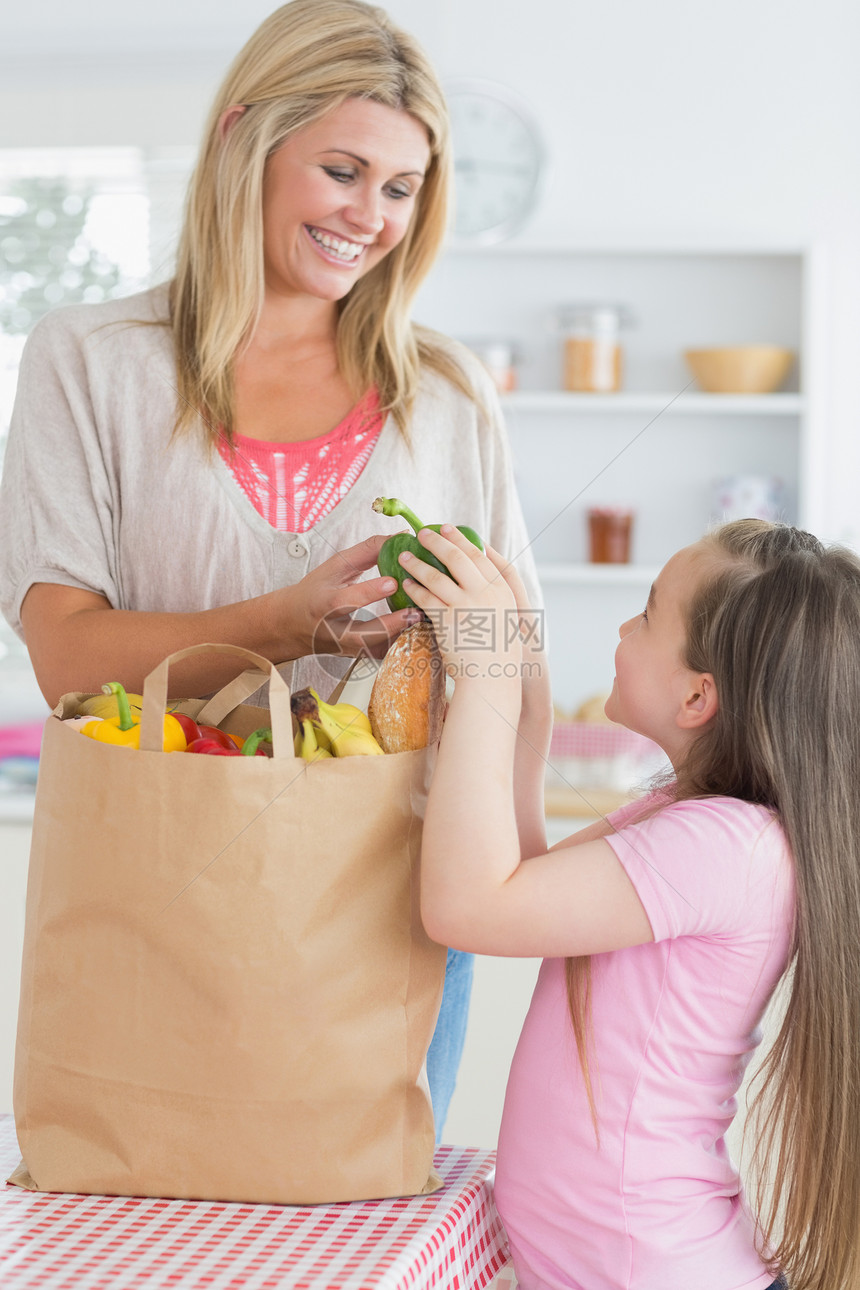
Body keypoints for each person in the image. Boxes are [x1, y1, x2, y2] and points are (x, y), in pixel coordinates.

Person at [0, 0, 540, 1136]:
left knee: (366, 1231)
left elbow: (509, 650)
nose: (370, 217)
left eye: (400, 189)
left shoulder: (443, 394)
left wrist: (522, 867)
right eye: (341, 169)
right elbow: (65, 660)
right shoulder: (92, 362)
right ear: (243, 138)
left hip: (389, 904)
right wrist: (286, 623)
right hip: (157, 896)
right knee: (136, 1224)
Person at [405, 517, 860, 1290]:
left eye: (647, 613)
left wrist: (485, 677)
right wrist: (526, 692)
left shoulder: (727, 847)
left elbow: (467, 906)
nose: (624, 624)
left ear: (696, 696)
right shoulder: (686, 819)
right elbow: (518, 883)